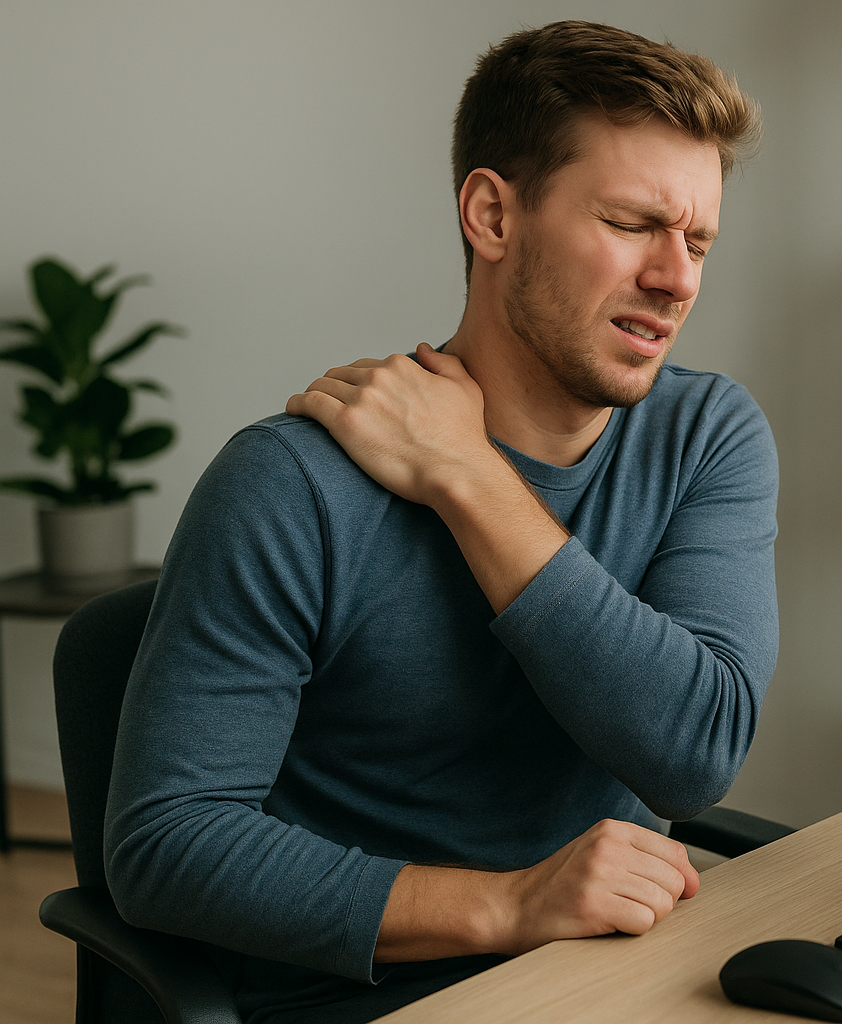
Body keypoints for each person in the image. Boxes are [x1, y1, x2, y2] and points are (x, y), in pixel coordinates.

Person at [104, 21, 775, 1023]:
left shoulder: (707, 435)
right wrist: (507, 905)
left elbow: (694, 755)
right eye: (633, 223)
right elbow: (167, 846)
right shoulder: (289, 484)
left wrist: (470, 478)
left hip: (618, 982)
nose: (677, 277)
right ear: (492, 215)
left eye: (698, 241)